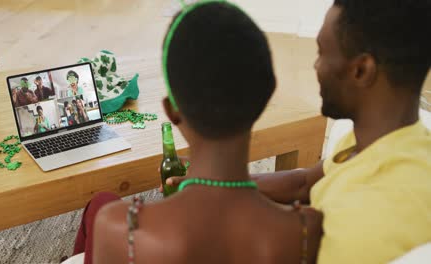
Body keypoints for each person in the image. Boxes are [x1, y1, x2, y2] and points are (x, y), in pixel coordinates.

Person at [165, 1, 431, 263]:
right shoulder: (388, 139)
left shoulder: (366, 223)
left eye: (322, 53)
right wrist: (217, 183)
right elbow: (303, 183)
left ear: (361, 70)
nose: (315, 66)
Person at [72, 2, 323, 264]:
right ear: (266, 97)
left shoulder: (119, 228)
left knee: (101, 202)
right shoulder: (307, 231)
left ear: (171, 110)